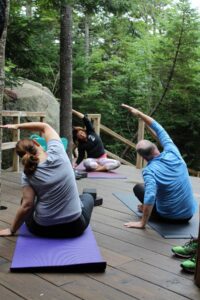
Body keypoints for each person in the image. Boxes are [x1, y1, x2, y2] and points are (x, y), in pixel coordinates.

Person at [0, 122, 94, 238]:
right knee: (87, 197)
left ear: (21, 156)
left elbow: (27, 205)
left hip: (42, 229)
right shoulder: (58, 151)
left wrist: (12, 230)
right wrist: (17, 126)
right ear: (36, 143)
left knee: (25, 199)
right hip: (75, 227)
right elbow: (45, 126)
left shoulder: (27, 173)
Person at [121, 103, 197, 229]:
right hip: (188, 215)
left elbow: (150, 195)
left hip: (168, 217)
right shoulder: (173, 152)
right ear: (156, 147)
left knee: (139, 188)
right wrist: (139, 113)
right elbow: (158, 128)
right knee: (155, 187)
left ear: (143, 157)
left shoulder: (149, 171)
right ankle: (148, 207)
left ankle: (147, 211)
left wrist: (142, 223)